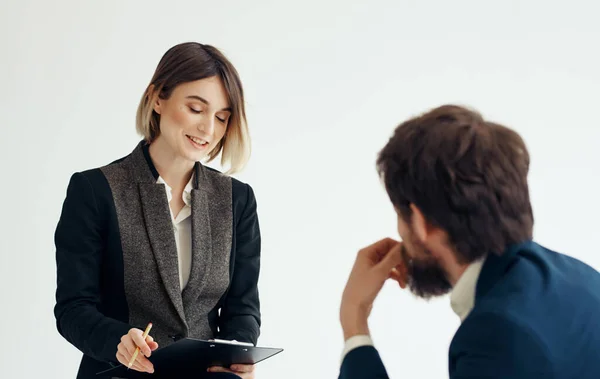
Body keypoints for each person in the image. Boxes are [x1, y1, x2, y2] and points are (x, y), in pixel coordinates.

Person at [338, 105, 600, 378]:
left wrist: (354, 321)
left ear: (420, 221)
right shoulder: (582, 279)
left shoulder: (497, 336)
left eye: (400, 216)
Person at [54, 42, 261, 379]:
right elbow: (73, 308)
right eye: (196, 109)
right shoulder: (95, 190)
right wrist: (117, 341)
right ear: (157, 98)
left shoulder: (237, 200)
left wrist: (236, 355)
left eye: (222, 118)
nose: (208, 129)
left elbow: (243, 309)